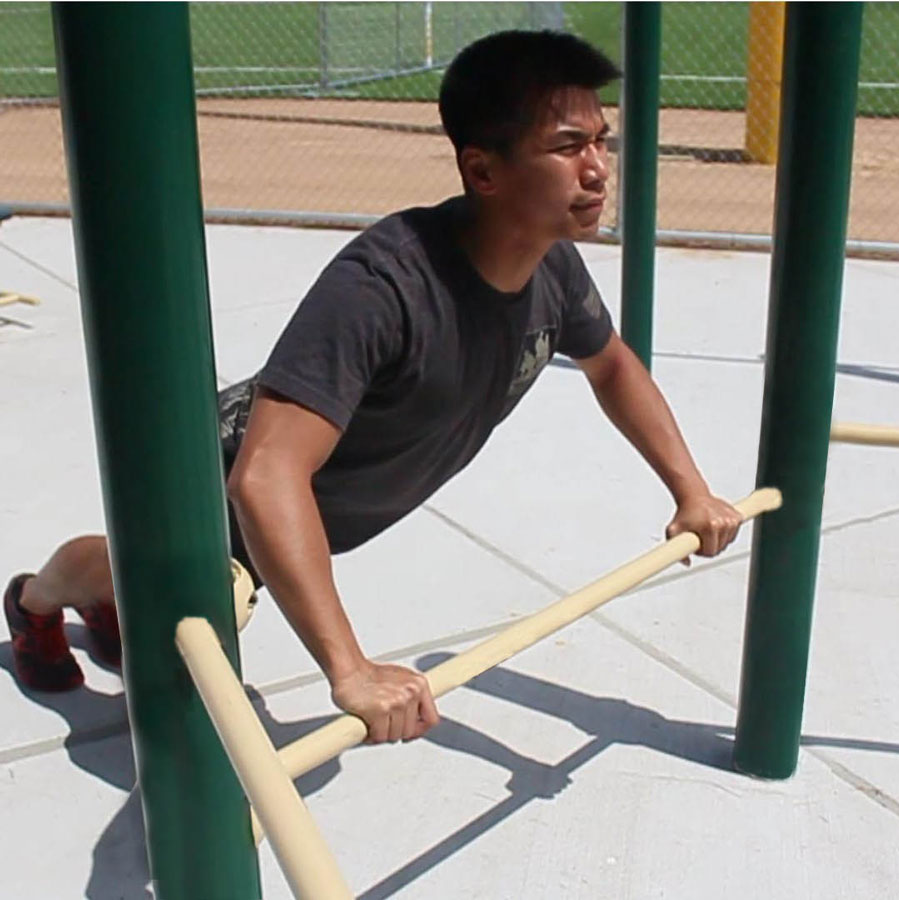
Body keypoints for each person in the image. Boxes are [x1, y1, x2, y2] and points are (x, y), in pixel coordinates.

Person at [5, 31, 743, 743]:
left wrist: (691, 490)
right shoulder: (383, 287)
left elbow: (610, 363)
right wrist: (348, 670)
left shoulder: (550, 267)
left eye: (599, 141)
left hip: (309, 500)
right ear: (483, 172)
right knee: (200, 591)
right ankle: (37, 600)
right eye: (567, 147)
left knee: (165, 592)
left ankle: (113, 599)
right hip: (221, 482)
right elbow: (264, 478)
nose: (597, 168)